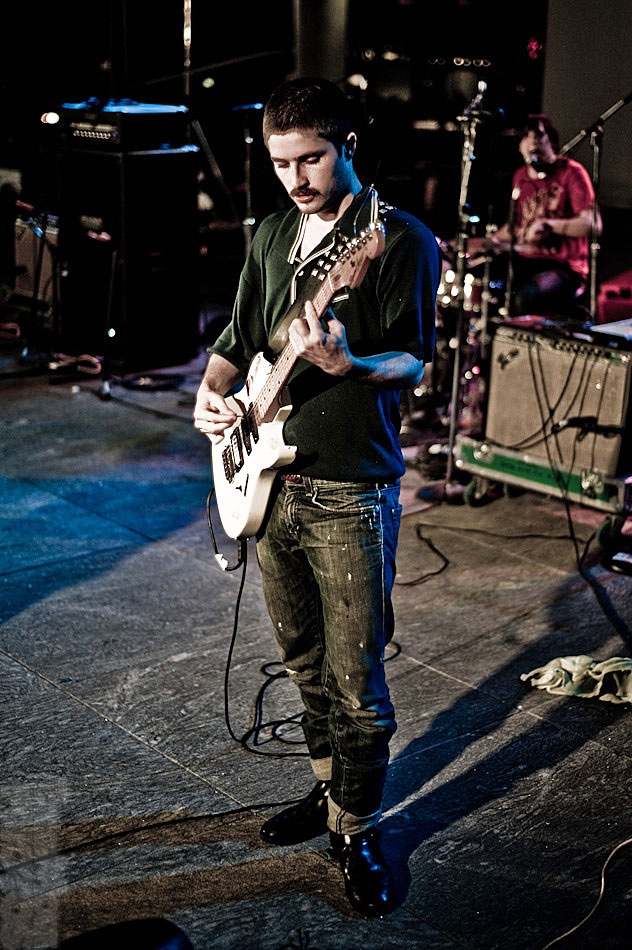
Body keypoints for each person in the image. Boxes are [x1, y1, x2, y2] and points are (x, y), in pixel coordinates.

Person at [193, 77, 440, 917]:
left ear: (348, 147)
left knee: (356, 683)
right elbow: (238, 339)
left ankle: (356, 830)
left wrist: (350, 365)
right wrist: (211, 393)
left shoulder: (395, 238)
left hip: (348, 489)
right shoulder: (270, 234)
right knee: (302, 665)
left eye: (312, 160)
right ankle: (328, 791)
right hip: (270, 482)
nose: (296, 179)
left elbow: (414, 358)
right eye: (281, 163)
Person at [490, 113, 602, 320]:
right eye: (526, 136)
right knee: (491, 291)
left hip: (564, 267)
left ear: (552, 142)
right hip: (526, 260)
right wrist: (486, 243)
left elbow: (593, 223)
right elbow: (516, 227)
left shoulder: (571, 172)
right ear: (520, 146)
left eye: (539, 135)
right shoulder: (520, 177)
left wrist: (547, 224)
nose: (533, 141)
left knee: (525, 296)